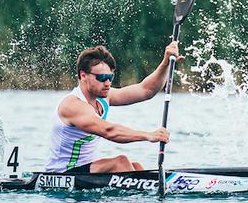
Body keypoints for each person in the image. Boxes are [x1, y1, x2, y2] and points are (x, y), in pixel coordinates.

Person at [44, 43, 180, 174]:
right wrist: (149, 135)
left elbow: (146, 90)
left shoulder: (103, 97)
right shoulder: (72, 105)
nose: (108, 83)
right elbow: (109, 131)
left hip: (87, 170)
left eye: (110, 77)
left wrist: (166, 63)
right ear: (83, 75)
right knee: (120, 163)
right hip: (63, 174)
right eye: (102, 78)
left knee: (136, 166)